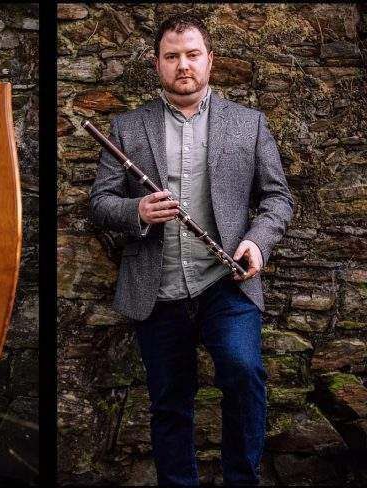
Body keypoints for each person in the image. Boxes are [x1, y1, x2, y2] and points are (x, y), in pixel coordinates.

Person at [89, 13, 293, 486]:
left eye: (192, 55)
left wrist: (257, 242)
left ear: (210, 60)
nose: (184, 65)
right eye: (172, 56)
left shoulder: (248, 125)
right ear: (157, 64)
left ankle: (242, 480)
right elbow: (99, 205)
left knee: (244, 376)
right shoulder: (127, 128)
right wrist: (137, 210)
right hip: (156, 290)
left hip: (226, 283)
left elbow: (278, 198)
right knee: (169, 401)